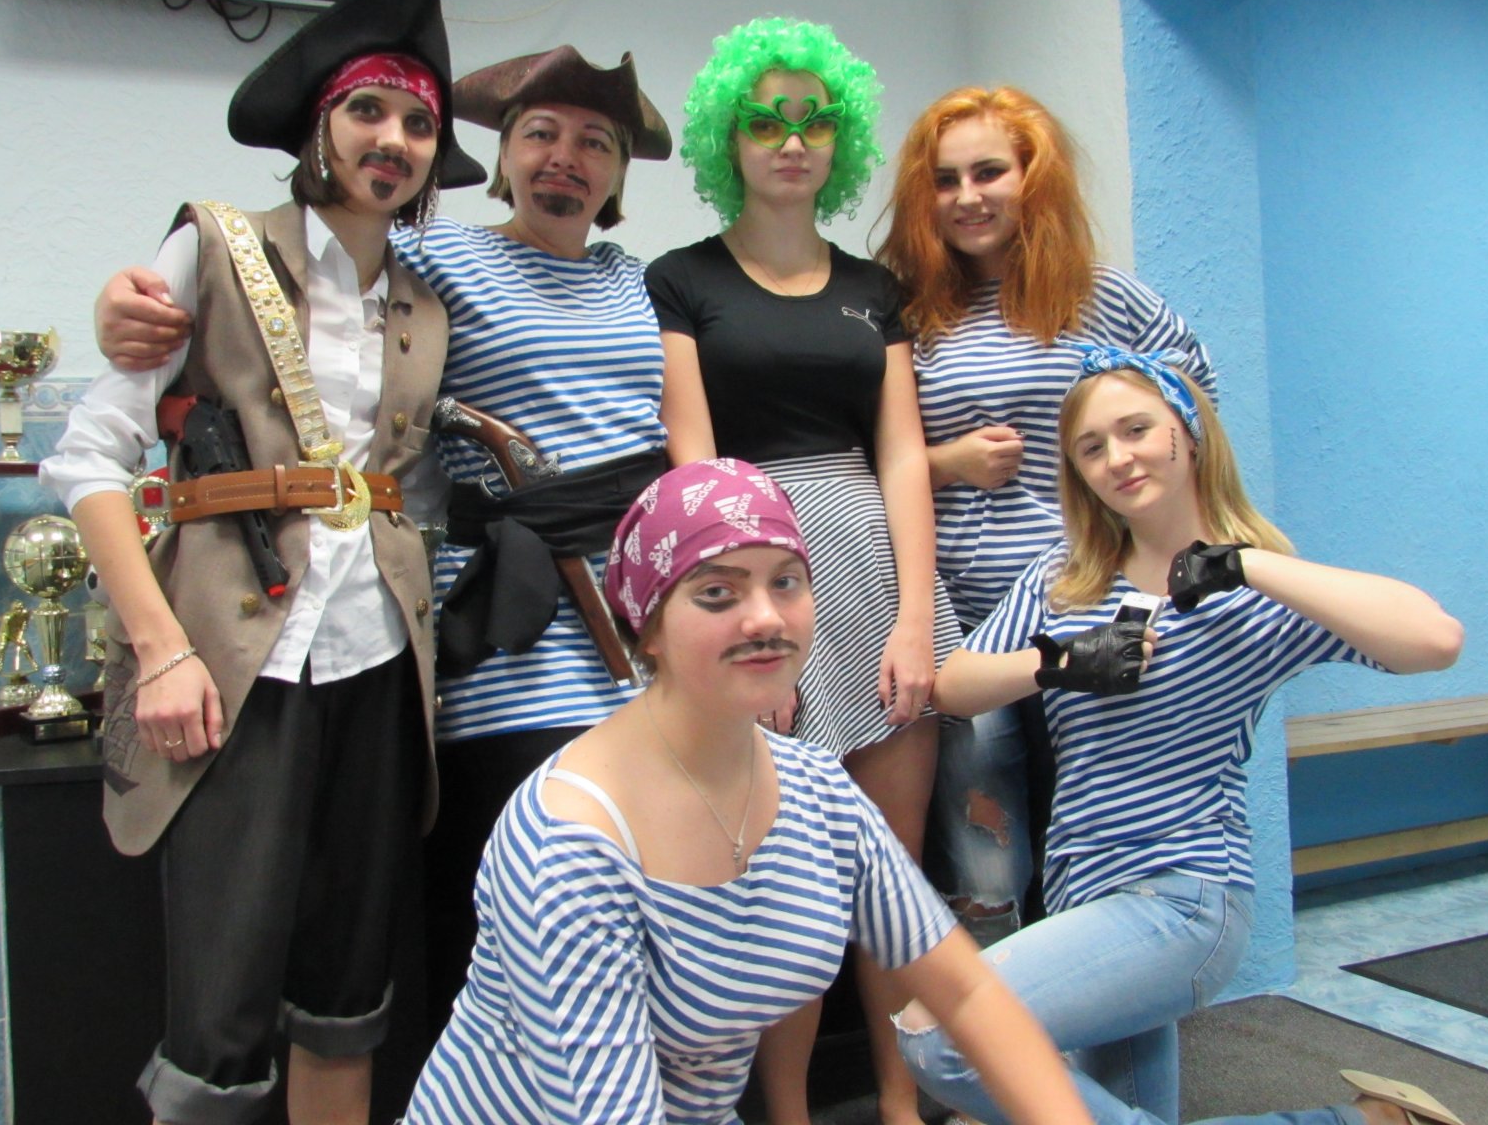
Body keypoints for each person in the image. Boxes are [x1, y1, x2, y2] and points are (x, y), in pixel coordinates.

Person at [90, 44, 674, 1038]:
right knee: (502, 913)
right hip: (496, 624)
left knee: (639, 898)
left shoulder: (641, 283)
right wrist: (122, 303)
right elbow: (300, 270)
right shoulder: (433, 261)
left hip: (609, 625)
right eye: (540, 133)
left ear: (620, 175)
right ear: (500, 157)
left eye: (596, 143)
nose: (565, 158)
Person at [40, 0, 484, 1125]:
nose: (394, 139)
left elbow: (410, 486)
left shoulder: (427, 306)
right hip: (235, 669)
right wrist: (162, 650)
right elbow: (90, 459)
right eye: (368, 109)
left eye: (419, 121)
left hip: (381, 669)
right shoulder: (213, 249)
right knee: (222, 1008)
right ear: (317, 130)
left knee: (348, 991)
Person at [404, 458, 1094, 1125]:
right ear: (648, 626)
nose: (766, 618)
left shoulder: (816, 791)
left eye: (786, 582)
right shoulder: (569, 847)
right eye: (717, 593)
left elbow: (967, 995)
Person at [894, 346, 1465, 1125]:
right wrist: (1060, 663)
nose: (1117, 458)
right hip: (1082, 894)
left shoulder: (1256, 598)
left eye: (1136, 430)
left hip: (1182, 897)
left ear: (1188, 434)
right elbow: (955, 685)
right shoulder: (1066, 578)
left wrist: (1244, 565)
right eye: (1091, 448)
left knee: (942, 1035)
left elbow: (1435, 641)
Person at [646, 17, 961, 1125]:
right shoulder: (679, 279)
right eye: (766, 120)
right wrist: (750, 630)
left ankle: (900, 1102)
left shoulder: (878, 289)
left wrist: (914, 620)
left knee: (893, 874)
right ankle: (782, 1114)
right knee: (783, 884)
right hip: (755, 577)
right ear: (726, 138)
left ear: (843, 140)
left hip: (871, 567)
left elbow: (902, 455)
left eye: (814, 120)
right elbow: (693, 466)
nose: (791, 140)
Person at [874, 85, 1218, 947]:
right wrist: (949, 462)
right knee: (985, 864)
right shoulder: (909, 313)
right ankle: (999, 1029)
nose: (968, 197)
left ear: (1035, 178)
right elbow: (870, 457)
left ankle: (1098, 1010)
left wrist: (1166, 560)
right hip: (969, 628)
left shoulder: (1107, 300)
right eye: (945, 180)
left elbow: (1193, 417)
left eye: (989, 172)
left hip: (1095, 614)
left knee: (1102, 850)